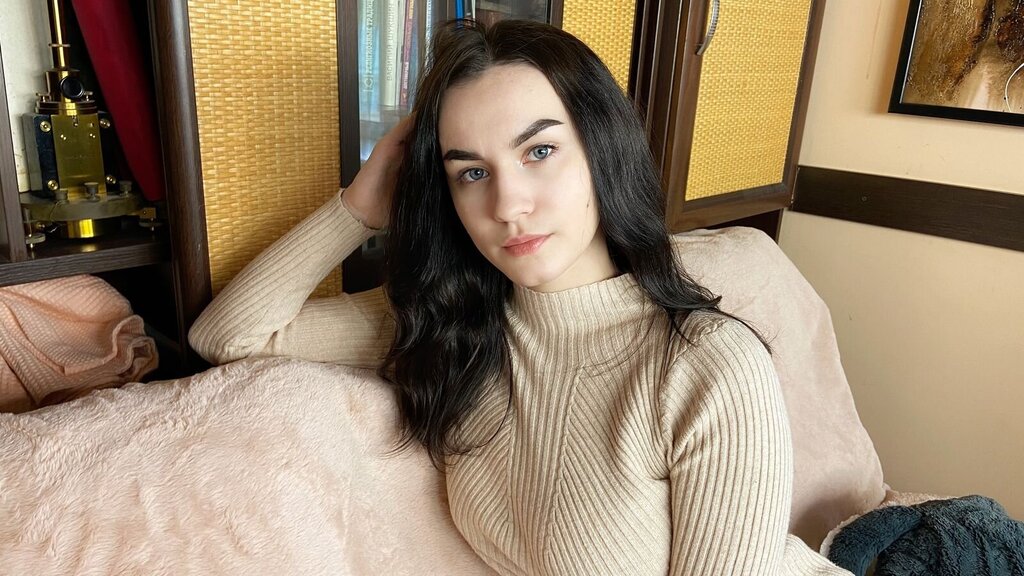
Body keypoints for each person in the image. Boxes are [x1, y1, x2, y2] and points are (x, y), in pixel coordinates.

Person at [189, 19, 851, 576]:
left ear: (601, 150)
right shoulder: (450, 324)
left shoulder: (708, 368)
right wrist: (360, 206)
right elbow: (227, 336)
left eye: (539, 151)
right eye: (472, 172)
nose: (507, 205)